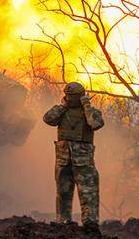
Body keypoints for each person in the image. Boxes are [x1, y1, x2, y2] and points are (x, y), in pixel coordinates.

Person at [43, 82, 104, 233]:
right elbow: (48, 119)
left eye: (72, 96)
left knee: (88, 193)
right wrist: (62, 106)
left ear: (81, 96)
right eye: (67, 95)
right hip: (63, 160)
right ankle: (63, 221)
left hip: (84, 161)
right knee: (63, 193)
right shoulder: (61, 111)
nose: (69, 98)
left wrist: (86, 106)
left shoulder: (91, 112)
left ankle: (91, 224)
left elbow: (95, 124)